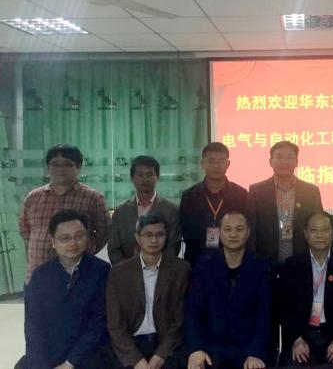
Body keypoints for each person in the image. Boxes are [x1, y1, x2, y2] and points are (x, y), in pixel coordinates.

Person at [23, 209, 111, 369]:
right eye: (65, 238)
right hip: (51, 354)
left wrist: (70, 363)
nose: (73, 243)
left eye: (79, 236)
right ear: (53, 242)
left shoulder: (101, 271)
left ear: (87, 237)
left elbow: (99, 323)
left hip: (88, 354)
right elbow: (33, 326)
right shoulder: (40, 276)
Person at [186, 212, 271, 369]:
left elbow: (265, 314)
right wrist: (195, 349)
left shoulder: (261, 266)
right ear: (219, 232)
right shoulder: (204, 266)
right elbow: (193, 311)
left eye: (239, 229)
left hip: (248, 350)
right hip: (211, 348)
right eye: (227, 229)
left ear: (248, 232)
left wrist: (256, 352)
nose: (233, 234)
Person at [107, 213, 190, 369]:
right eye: (148, 235)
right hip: (131, 345)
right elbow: (115, 325)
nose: (154, 240)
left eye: (159, 234)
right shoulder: (119, 273)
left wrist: (159, 356)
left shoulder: (181, 270)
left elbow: (179, 321)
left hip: (166, 344)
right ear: (137, 238)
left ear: (166, 237)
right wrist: (137, 361)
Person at [19, 143, 111, 284]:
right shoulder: (33, 197)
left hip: (78, 277)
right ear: (48, 167)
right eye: (55, 164)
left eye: (67, 164)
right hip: (37, 276)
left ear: (78, 167)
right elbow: (25, 232)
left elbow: (104, 233)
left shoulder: (93, 198)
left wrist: (84, 249)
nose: (60, 169)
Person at [279, 212, 333, 365]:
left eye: (325, 230)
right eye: (314, 230)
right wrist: (296, 339)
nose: (319, 235)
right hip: (302, 336)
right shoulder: (292, 266)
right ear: (305, 234)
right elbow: (283, 307)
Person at [248, 141, 322, 263]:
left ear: (297, 162)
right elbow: (252, 229)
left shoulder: (311, 191)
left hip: (301, 260)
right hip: (265, 260)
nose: (284, 162)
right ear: (270, 161)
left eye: (289, 157)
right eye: (279, 157)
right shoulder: (257, 191)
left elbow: (318, 225)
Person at [179, 142, 247, 268]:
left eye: (221, 161)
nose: (216, 166)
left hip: (232, 262)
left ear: (228, 164)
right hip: (197, 261)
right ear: (202, 164)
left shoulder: (241, 195)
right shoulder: (189, 196)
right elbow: (185, 231)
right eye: (211, 161)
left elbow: (245, 230)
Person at [108, 155, 181, 265]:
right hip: (128, 271)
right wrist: (126, 270)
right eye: (140, 174)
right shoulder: (120, 212)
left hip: (162, 271)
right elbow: (114, 249)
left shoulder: (171, 210)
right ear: (132, 178)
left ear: (157, 177)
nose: (145, 179)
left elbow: (173, 246)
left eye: (149, 174)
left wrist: (157, 270)